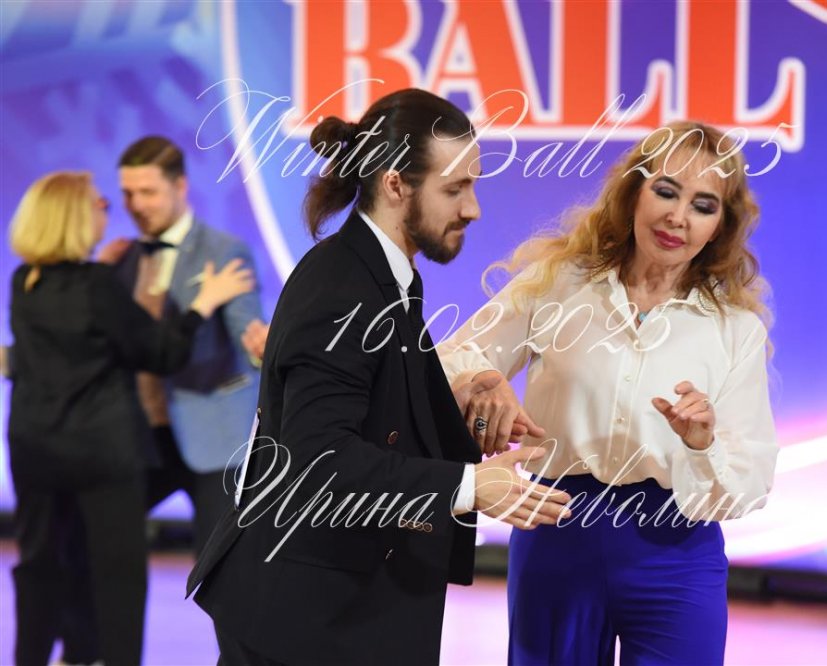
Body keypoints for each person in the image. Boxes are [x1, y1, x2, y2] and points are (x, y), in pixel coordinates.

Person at [187, 88, 573, 666]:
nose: (473, 209)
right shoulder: (341, 289)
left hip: (340, 607)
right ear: (396, 184)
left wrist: (448, 400)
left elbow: (368, 406)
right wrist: (471, 486)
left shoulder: (386, 275)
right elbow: (321, 461)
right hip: (305, 621)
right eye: (455, 189)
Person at [438, 121, 780, 665]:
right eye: (665, 191)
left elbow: (749, 482)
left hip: (676, 546)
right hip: (557, 526)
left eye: (703, 205)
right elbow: (451, 356)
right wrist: (483, 382)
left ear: (720, 225)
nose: (678, 217)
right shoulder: (560, 283)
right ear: (633, 192)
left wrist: (702, 445)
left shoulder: (735, 329)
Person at [6, 171, 253, 666]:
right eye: (100, 203)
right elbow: (160, 353)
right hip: (102, 454)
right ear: (75, 217)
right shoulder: (99, 286)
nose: (109, 209)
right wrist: (202, 303)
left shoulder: (25, 281)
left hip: (34, 449)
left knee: (39, 568)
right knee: (117, 576)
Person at [103, 135, 266, 553]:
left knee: (220, 567)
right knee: (101, 543)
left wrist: (259, 347)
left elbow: (245, 324)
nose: (136, 204)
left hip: (214, 428)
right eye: (128, 193)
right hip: (144, 437)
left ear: (180, 186)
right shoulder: (122, 257)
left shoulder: (223, 250)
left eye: (148, 192)